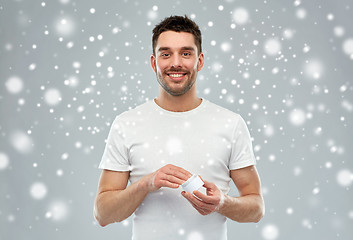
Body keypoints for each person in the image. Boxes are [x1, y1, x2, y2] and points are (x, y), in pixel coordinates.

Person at [94, 15, 264, 240]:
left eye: (186, 53)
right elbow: (103, 214)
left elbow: (256, 208)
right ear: (154, 62)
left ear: (200, 61)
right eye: (166, 54)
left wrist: (223, 202)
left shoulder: (231, 124)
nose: (176, 63)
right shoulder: (126, 124)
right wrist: (146, 184)